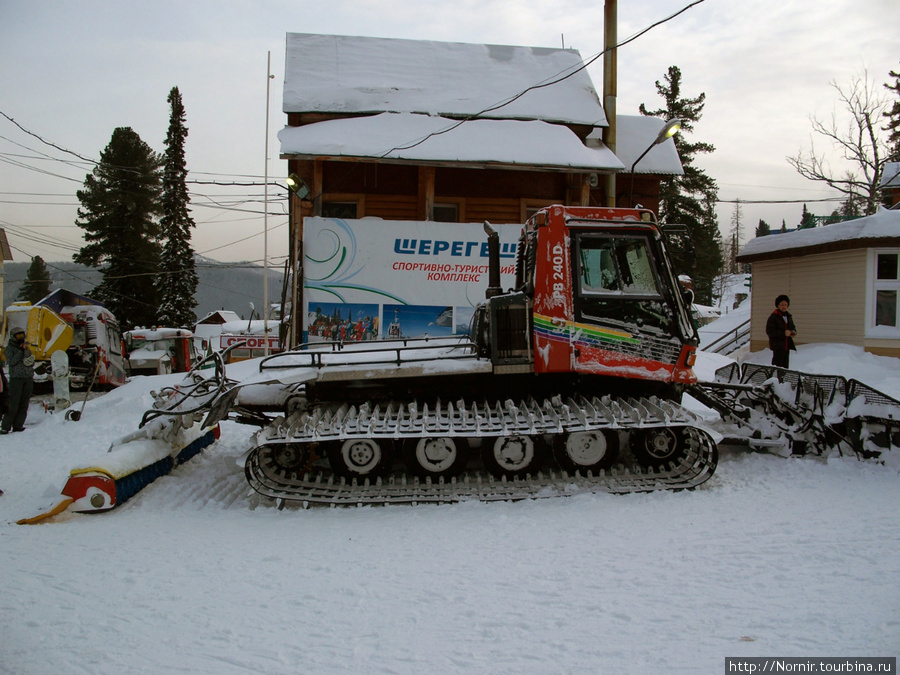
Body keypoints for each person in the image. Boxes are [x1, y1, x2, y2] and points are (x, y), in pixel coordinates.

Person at [2, 328, 35, 434]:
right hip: (16, 379)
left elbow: (30, 360)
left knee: (24, 403)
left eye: (22, 335)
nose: (20, 338)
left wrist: (27, 354)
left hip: (28, 377)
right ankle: (6, 426)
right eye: (18, 336)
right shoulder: (9, 349)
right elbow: (11, 362)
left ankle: (18, 425)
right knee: (13, 403)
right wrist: (20, 352)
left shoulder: (26, 347)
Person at [765, 294, 797, 369]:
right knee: (777, 366)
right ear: (778, 305)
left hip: (786, 345)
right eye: (782, 304)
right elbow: (770, 331)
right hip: (777, 346)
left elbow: (792, 327)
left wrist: (793, 332)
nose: (784, 307)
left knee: (785, 366)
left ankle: (783, 380)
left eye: (786, 305)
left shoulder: (788, 316)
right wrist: (783, 333)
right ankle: (776, 380)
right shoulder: (773, 317)